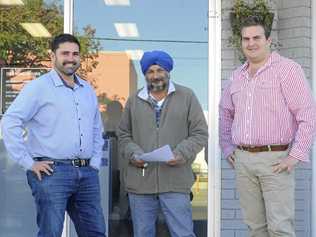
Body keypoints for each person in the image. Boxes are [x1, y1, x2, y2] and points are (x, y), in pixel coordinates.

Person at [219, 16, 316, 237]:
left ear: (268, 40)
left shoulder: (287, 70)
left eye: (256, 37)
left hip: (276, 160)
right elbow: (225, 113)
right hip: (243, 161)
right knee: (255, 229)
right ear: (241, 42)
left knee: (280, 228)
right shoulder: (236, 76)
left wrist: (296, 154)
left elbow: (308, 113)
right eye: (246, 39)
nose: (251, 43)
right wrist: (226, 147)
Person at [1, 34, 106, 237]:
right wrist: (28, 163)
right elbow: (10, 121)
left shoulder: (87, 90)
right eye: (65, 53)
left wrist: (94, 162)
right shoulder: (38, 87)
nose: (71, 58)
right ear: (53, 56)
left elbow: (95, 128)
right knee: (51, 232)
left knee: (95, 232)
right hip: (51, 172)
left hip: (87, 174)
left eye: (75, 54)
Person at [117, 50, 208, 237]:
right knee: (142, 234)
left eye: (160, 70)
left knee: (183, 234)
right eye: (150, 71)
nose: (155, 75)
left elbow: (200, 133)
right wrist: (134, 154)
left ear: (168, 71)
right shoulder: (134, 101)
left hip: (175, 182)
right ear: (145, 75)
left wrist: (180, 153)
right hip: (140, 184)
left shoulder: (187, 96)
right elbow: (123, 134)